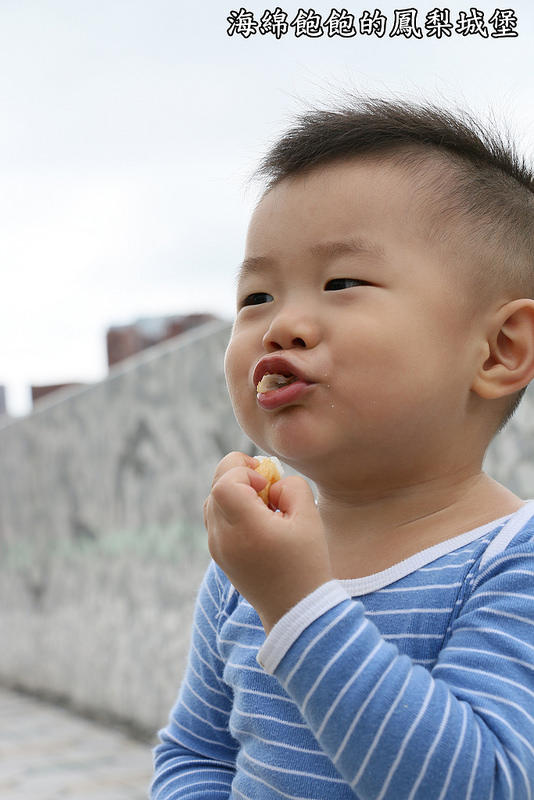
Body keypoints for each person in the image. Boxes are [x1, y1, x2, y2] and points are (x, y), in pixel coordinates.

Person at [150, 96, 534, 799]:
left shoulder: (511, 562)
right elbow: (196, 751)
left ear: (499, 350)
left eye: (342, 283)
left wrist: (297, 603)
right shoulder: (249, 562)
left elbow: (487, 782)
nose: (281, 325)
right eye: (256, 297)